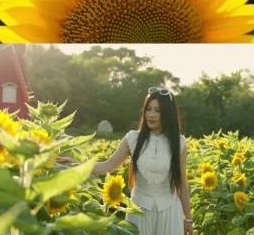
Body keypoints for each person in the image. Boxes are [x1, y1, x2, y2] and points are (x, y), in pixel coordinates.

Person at [60, 87, 193, 235]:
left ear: (168, 113)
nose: (151, 115)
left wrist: (187, 218)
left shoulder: (179, 143)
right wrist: (76, 165)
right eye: (148, 109)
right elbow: (108, 166)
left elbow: (182, 183)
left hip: (170, 211)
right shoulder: (133, 139)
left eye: (158, 111)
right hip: (139, 211)